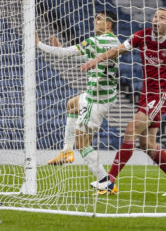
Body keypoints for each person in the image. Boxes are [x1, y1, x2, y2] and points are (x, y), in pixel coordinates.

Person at [81, 8, 166, 196]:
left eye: (161, 18)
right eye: (155, 16)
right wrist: (97, 59)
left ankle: (109, 181)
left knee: (131, 129)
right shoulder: (142, 36)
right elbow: (118, 49)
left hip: (161, 95)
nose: (156, 20)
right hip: (146, 94)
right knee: (147, 143)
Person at [36, 11, 121, 187]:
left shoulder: (95, 41)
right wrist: (62, 48)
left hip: (96, 100)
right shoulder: (115, 42)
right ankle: (66, 152)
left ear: (109, 24)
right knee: (72, 104)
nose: (94, 21)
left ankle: (105, 182)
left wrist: (39, 44)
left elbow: (63, 55)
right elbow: (87, 56)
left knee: (82, 144)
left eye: (99, 19)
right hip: (107, 94)